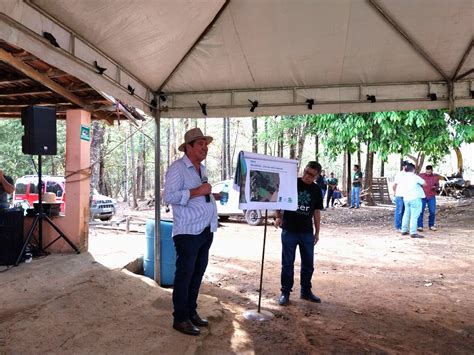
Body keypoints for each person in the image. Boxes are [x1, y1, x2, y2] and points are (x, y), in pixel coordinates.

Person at [163, 127, 221, 336]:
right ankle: (180, 319)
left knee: (197, 273)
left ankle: (191, 312)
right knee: (185, 275)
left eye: (206, 144)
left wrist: (213, 195)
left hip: (205, 230)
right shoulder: (177, 168)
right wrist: (199, 191)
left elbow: (200, 195)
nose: (205, 148)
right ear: (188, 147)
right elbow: (168, 196)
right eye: (200, 144)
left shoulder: (201, 169)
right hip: (188, 232)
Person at [275, 161, 324, 306]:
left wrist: (317, 232)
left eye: (312, 175)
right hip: (289, 230)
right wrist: (278, 216)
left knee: (308, 264)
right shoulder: (292, 184)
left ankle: (306, 291)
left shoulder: (316, 190)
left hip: (306, 232)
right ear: (304, 170)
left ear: (316, 176)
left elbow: (316, 212)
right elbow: (279, 199)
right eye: (306, 172)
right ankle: (285, 292)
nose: (307, 176)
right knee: (287, 264)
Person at [399, 163, 426, 238]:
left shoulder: (403, 177)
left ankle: (404, 230)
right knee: (414, 216)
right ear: (413, 169)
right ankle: (413, 232)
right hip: (415, 198)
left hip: (406, 198)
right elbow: (424, 184)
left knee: (406, 214)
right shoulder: (415, 177)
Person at [417, 165, 439, 232]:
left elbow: (438, 186)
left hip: (431, 196)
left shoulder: (435, 177)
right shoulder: (421, 176)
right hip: (422, 196)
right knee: (420, 211)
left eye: (429, 172)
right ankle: (420, 226)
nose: (428, 173)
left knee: (432, 211)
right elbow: (417, 185)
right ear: (425, 170)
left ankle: (431, 225)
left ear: (432, 171)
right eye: (427, 172)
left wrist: (435, 188)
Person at [392, 161, 409, 232]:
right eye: (407, 166)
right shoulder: (399, 174)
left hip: (407, 195)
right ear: (404, 166)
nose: (408, 167)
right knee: (399, 211)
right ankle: (398, 227)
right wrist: (395, 193)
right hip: (399, 195)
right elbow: (394, 185)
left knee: (405, 211)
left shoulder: (409, 174)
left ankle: (403, 226)